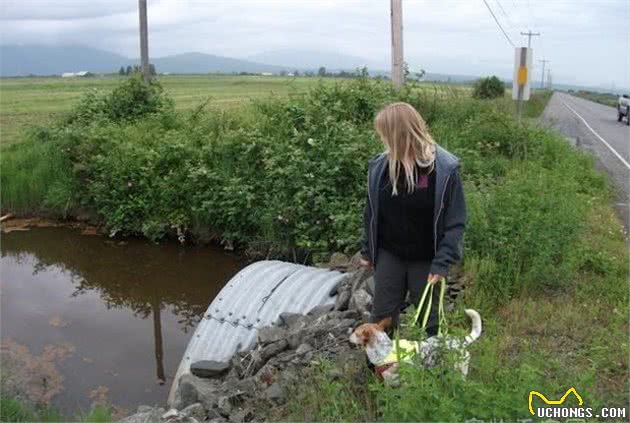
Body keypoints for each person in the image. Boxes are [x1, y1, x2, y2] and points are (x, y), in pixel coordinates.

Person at [360, 102, 466, 336]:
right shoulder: (380, 166)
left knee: (429, 319)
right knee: (382, 317)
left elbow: (455, 222)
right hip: (390, 253)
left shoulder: (445, 169)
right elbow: (371, 211)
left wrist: (442, 262)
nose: (383, 140)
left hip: (427, 257)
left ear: (400, 134)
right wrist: (368, 249)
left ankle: (432, 369)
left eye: (385, 134)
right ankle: (380, 370)